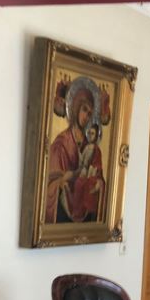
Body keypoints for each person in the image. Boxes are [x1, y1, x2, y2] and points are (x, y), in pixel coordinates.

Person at [46, 82, 106, 223]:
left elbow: (99, 176)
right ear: (76, 108)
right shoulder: (61, 144)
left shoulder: (91, 146)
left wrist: (99, 184)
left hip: (85, 211)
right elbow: (48, 183)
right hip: (62, 215)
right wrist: (60, 183)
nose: (87, 117)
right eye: (84, 110)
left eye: (90, 114)